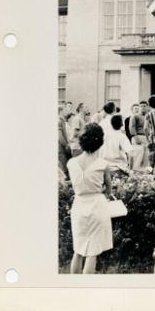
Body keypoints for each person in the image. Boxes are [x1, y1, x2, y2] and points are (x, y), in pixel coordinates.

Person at [67, 123, 113, 274]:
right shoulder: (102, 164)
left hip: (79, 205)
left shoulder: (71, 163)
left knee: (78, 249)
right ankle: (87, 287)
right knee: (92, 251)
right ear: (99, 142)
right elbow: (108, 189)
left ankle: (74, 286)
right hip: (97, 207)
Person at [130, 101, 149, 171]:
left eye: (144, 106)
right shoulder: (135, 116)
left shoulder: (149, 116)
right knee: (137, 157)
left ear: (147, 107)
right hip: (138, 137)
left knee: (147, 157)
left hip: (147, 138)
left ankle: (145, 175)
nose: (143, 108)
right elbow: (132, 127)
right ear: (139, 107)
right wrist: (136, 138)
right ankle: (135, 174)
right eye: (141, 106)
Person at [59, 108, 72, 179]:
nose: (67, 112)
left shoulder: (62, 121)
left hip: (63, 148)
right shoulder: (59, 121)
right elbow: (59, 136)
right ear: (60, 111)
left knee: (65, 168)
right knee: (64, 170)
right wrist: (66, 145)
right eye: (65, 110)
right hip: (61, 148)